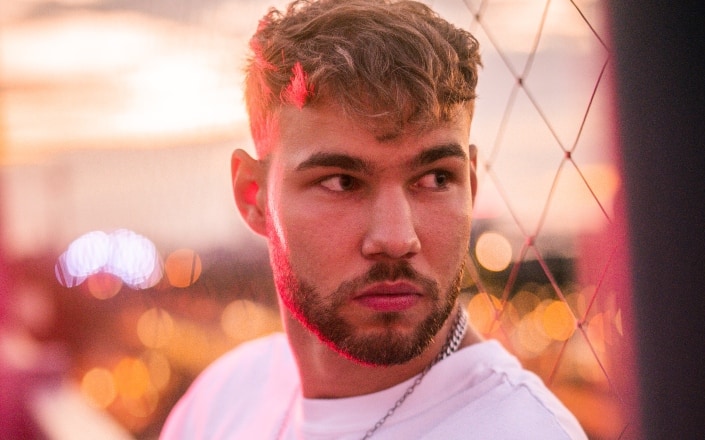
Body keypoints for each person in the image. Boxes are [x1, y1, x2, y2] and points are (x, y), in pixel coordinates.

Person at [161, 0, 587, 438]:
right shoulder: (222, 399)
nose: (396, 238)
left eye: (436, 178)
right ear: (254, 197)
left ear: (472, 187)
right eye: (342, 182)